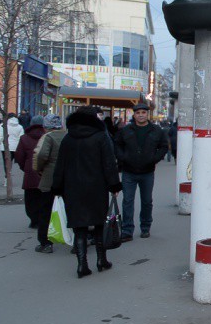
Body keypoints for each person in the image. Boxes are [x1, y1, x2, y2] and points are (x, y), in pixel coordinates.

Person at [52, 106, 122, 278]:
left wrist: (57, 187)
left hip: (72, 188)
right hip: (96, 187)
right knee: (99, 224)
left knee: (79, 227)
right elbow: (109, 164)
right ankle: (101, 260)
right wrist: (114, 185)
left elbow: (60, 165)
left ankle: (82, 265)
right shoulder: (100, 137)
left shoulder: (68, 138)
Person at [114, 102, 168, 241]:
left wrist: (154, 159)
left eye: (143, 112)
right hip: (129, 171)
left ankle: (145, 227)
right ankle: (127, 230)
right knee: (127, 201)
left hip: (147, 171)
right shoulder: (126, 130)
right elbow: (117, 145)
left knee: (147, 201)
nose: (141, 115)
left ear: (147, 114)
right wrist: (123, 158)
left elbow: (163, 146)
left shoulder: (156, 130)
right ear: (134, 114)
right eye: (138, 113)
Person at [32, 114, 65, 253]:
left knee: (45, 210)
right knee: (67, 209)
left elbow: (40, 155)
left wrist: (38, 169)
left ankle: (45, 242)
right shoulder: (67, 136)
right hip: (66, 178)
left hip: (49, 178)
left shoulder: (48, 137)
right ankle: (74, 240)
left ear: (46, 127)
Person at [14, 116, 45, 229]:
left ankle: (34, 220)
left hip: (30, 174)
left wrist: (25, 168)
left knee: (31, 199)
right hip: (45, 174)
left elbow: (19, 156)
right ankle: (43, 220)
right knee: (44, 198)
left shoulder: (24, 138)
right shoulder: (47, 137)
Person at [0, 113, 24, 184]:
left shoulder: (3, 126)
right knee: (10, 162)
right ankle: (8, 177)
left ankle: (7, 178)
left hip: (5, 147)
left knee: (6, 162)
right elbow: (21, 138)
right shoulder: (20, 127)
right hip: (15, 147)